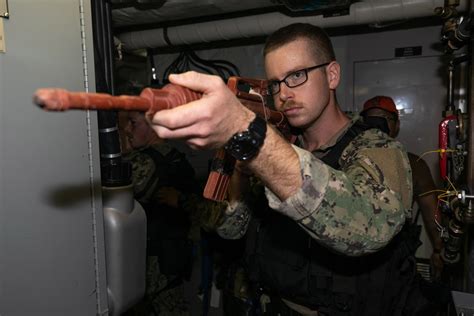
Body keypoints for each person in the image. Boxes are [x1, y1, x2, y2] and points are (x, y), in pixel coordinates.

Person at [150, 23, 415, 315]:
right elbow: (230, 229)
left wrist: (255, 140)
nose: (284, 94)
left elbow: (368, 230)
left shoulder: (378, 149)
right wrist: (242, 170)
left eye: (297, 76)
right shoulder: (280, 147)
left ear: (332, 75)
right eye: (276, 83)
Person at [360, 95, 445, 280]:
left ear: (397, 125)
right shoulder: (348, 158)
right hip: (355, 256)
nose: (378, 125)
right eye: (371, 119)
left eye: (386, 119)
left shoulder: (414, 164)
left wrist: (440, 250)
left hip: (395, 258)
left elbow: (432, 213)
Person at [121, 111, 196, 316]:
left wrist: (124, 153)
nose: (127, 129)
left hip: (159, 266)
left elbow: (117, 187)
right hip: (167, 260)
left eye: (133, 122)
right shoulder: (173, 156)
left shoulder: (150, 161)